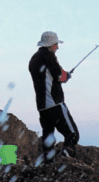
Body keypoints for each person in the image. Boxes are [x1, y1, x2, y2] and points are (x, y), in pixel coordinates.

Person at [29, 31, 79, 159]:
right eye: (56, 45)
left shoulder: (34, 59)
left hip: (41, 106)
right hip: (54, 103)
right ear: (51, 45)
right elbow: (59, 76)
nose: (57, 47)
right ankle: (65, 159)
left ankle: (48, 163)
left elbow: (48, 75)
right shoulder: (48, 56)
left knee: (48, 136)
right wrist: (66, 76)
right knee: (72, 134)